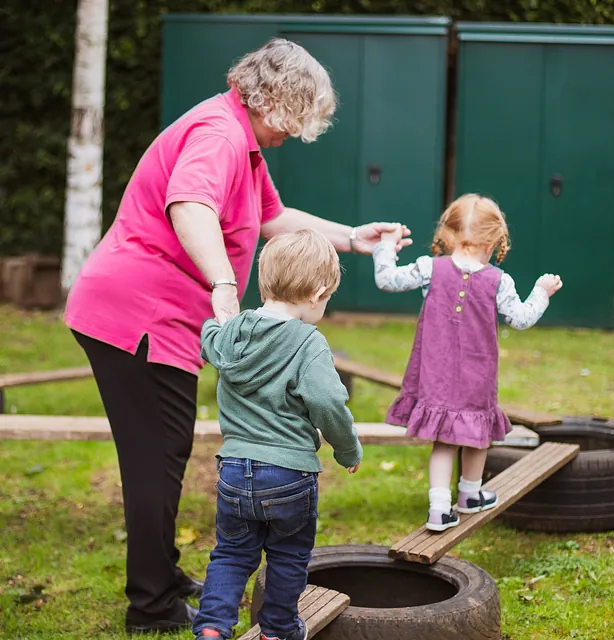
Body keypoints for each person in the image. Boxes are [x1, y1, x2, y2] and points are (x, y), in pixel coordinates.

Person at [64, 37, 409, 634]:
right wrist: (225, 282)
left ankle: (163, 575)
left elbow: (272, 219)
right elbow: (190, 205)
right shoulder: (220, 135)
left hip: (159, 316)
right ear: (275, 99)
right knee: (155, 461)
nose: (296, 134)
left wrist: (353, 236)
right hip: (136, 317)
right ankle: (151, 605)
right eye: (299, 119)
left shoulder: (243, 146)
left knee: (164, 455)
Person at [193, 228, 362, 640]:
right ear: (318, 292)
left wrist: (223, 319)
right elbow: (327, 402)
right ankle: (278, 630)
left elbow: (209, 339)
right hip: (289, 475)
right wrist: (347, 449)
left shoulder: (233, 333)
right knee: (287, 556)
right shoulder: (309, 343)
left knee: (232, 554)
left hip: (234, 469)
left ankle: (213, 628)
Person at [373, 194, 562, 532]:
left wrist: (386, 246)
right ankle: (470, 494)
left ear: (448, 233)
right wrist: (541, 292)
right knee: (478, 433)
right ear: (494, 239)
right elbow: (520, 318)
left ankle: (439, 509)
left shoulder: (431, 267)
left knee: (444, 440)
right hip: (478, 375)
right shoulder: (498, 281)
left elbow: (387, 280)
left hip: (435, 374)